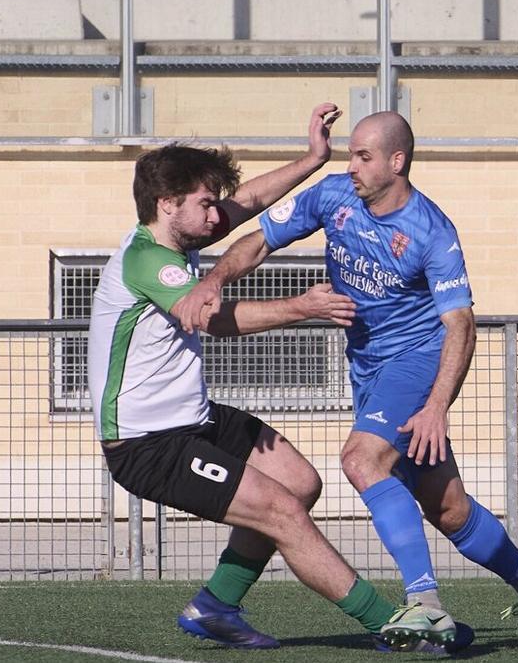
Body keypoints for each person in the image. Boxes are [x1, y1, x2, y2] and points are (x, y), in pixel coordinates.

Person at [88, 103, 473, 654]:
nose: (218, 215)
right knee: (281, 510)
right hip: (148, 443)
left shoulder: (178, 236)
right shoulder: (151, 263)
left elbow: (251, 203)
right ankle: (394, 622)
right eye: (204, 204)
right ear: (167, 204)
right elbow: (216, 320)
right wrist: (303, 307)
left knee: (299, 482)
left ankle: (217, 605)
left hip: (193, 420)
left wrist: (313, 159)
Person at [174, 111, 518, 651]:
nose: (351, 165)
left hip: (417, 360)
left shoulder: (432, 231)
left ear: (396, 162)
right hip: (368, 366)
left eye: (363, 156)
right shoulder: (334, 196)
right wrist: (213, 279)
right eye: (351, 154)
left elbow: (461, 326)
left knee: (361, 459)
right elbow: (259, 240)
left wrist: (435, 406)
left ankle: (425, 605)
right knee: (446, 506)